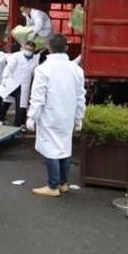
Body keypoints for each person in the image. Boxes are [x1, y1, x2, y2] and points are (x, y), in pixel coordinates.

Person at [27, 34, 86, 197]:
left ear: (49, 48)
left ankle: (53, 186)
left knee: (51, 150)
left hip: (49, 115)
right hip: (68, 115)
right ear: (66, 48)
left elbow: (38, 96)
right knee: (64, 148)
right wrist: (79, 117)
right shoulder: (77, 69)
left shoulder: (43, 69)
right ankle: (63, 183)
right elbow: (81, 96)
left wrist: (32, 116)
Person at [0, 41, 38, 127]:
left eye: (31, 50)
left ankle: (18, 126)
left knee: (21, 107)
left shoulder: (35, 59)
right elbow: (9, 67)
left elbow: (34, 73)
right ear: (24, 48)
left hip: (24, 85)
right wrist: (5, 78)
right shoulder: (17, 56)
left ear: (34, 50)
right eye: (27, 49)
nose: (28, 51)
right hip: (12, 82)